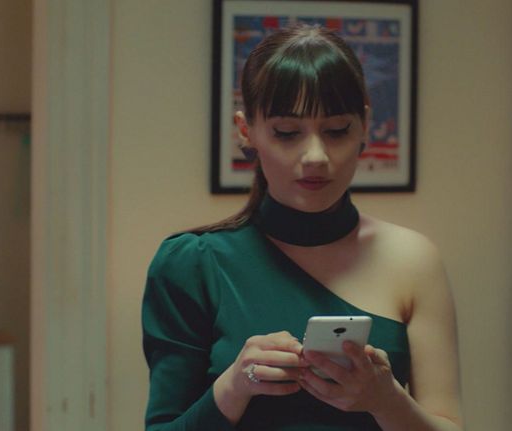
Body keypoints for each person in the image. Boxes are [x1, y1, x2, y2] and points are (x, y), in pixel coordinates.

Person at [142, 23, 463, 430]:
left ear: (365, 125)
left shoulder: (413, 260)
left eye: (337, 130)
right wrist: (234, 386)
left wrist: (387, 400)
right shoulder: (192, 263)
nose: (315, 156)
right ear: (247, 131)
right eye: (287, 133)